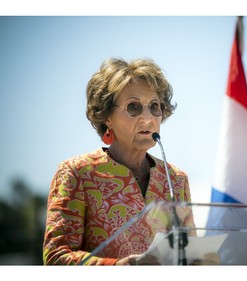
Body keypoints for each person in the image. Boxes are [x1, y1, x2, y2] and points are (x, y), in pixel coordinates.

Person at [43, 57, 195, 265]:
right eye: (133, 107)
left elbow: (189, 253)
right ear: (107, 116)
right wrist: (119, 268)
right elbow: (55, 259)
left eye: (154, 107)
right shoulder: (77, 173)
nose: (148, 119)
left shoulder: (176, 180)